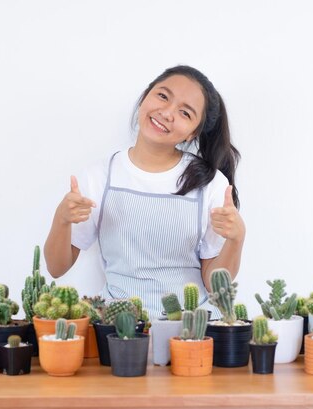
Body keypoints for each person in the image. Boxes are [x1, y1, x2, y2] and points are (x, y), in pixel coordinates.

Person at [44, 65, 245, 318]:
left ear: (193, 132)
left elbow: (215, 287)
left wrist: (237, 239)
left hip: (191, 329)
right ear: (145, 96)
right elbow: (56, 267)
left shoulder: (211, 184)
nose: (167, 113)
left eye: (185, 112)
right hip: (117, 328)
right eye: (162, 96)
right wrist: (62, 219)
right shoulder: (100, 176)